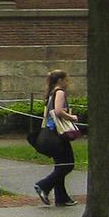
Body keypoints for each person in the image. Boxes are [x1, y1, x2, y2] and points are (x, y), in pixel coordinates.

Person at [34, 69, 81, 207]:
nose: (68, 82)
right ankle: (43, 185)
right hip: (59, 133)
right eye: (67, 80)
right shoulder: (59, 92)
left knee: (60, 165)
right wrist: (72, 117)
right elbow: (58, 111)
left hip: (51, 131)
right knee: (68, 164)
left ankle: (61, 197)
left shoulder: (51, 93)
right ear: (60, 80)